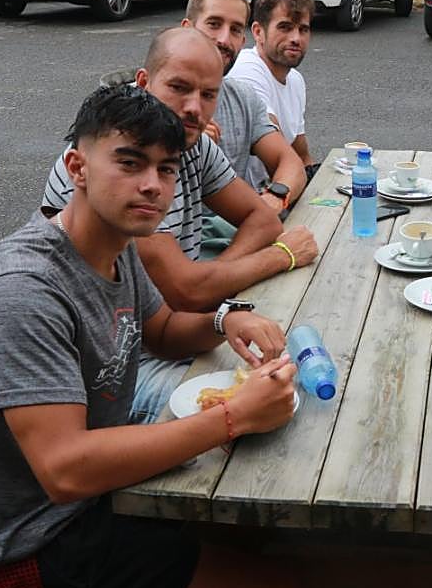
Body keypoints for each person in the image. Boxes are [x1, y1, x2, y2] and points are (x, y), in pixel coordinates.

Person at [0, 85, 304, 588]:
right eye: (130, 163)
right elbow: (66, 470)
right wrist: (233, 417)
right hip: (25, 552)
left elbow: (156, 331)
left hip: (91, 505)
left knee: (256, 540)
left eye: (166, 168)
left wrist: (222, 321)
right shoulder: (21, 293)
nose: (152, 185)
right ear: (76, 168)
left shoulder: (117, 245)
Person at [43, 28, 319, 423]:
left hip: (151, 340)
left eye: (208, 94)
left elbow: (259, 220)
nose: (194, 107)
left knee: (287, 374)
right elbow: (186, 292)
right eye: (179, 88)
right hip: (105, 371)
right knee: (265, 407)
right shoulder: (113, 174)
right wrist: (281, 256)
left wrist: (218, 299)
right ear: (144, 82)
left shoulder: (188, 148)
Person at [180, 0, 307, 256]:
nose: (224, 39)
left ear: (243, 39)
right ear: (187, 29)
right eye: (213, 24)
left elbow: (290, 162)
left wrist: (275, 198)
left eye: (235, 29)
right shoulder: (147, 106)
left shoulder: (242, 96)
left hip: (230, 240)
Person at [227, 0, 319, 179]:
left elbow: (302, 157)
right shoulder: (246, 70)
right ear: (258, 32)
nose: (296, 38)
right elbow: (278, 158)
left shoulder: (295, 80)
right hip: (250, 201)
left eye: (303, 29)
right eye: (285, 27)